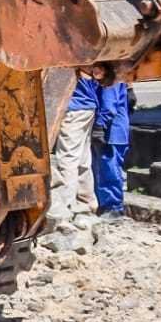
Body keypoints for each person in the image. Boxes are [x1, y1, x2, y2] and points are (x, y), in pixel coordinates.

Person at [46, 75, 100, 230]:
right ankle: (87, 204)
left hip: (72, 106)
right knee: (83, 159)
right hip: (88, 105)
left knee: (67, 160)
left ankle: (66, 209)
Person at [92, 81, 132, 216]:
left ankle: (113, 208)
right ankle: (108, 206)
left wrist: (99, 125)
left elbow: (109, 105)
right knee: (106, 169)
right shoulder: (118, 78)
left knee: (109, 170)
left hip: (111, 132)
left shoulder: (111, 80)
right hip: (115, 130)